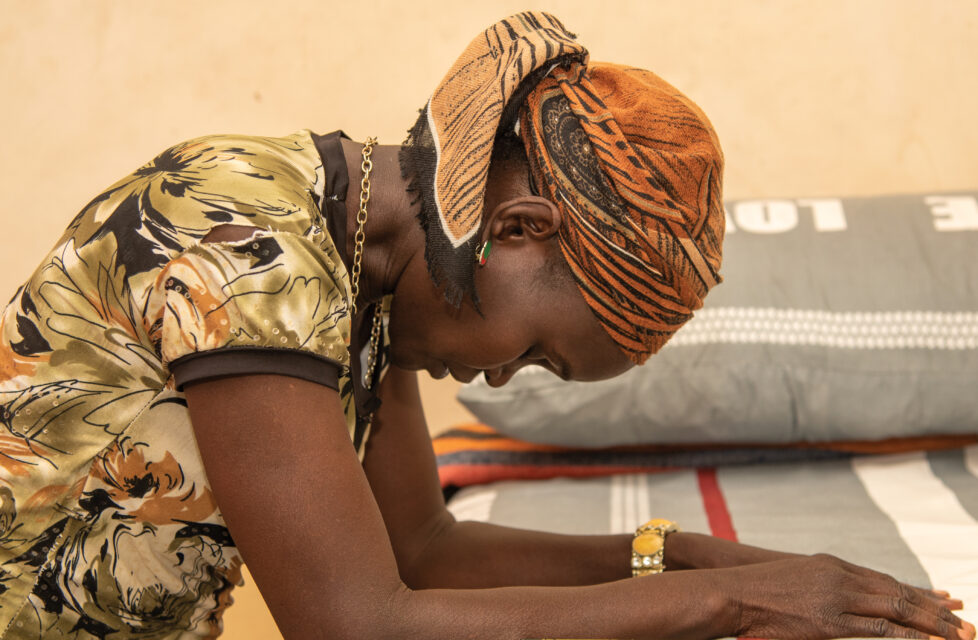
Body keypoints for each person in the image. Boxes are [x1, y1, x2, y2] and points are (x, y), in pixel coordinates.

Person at [0, 11, 972, 640]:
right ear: (516, 230)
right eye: (544, 349)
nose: (505, 382)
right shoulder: (244, 236)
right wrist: (726, 602)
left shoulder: (359, 275)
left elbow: (424, 548)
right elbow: (358, 624)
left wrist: (687, 553)